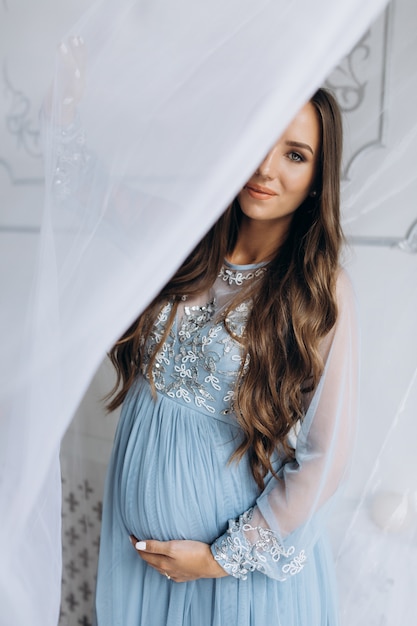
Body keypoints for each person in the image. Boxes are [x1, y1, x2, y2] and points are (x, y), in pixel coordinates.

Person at [93, 86, 358, 626]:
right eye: (261, 141)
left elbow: (325, 458)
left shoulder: (319, 289)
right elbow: (87, 188)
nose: (265, 167)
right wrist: (66, 108)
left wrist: (220, 560)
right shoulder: (183, 236)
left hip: (234, 581)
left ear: (316, 181)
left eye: (295, 154)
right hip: (141, 565)